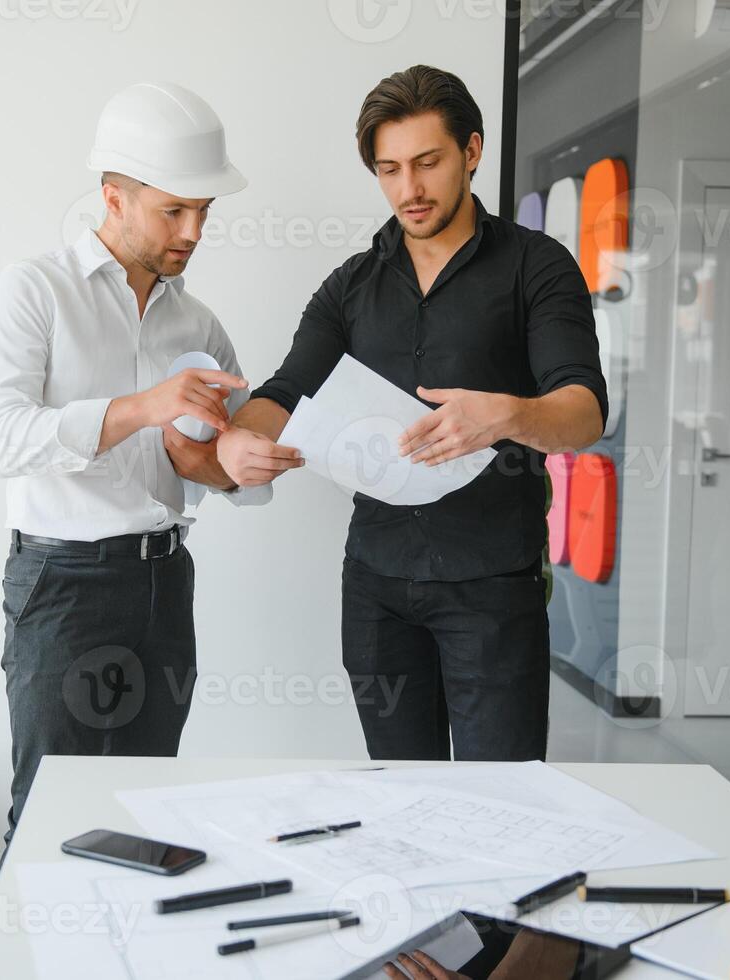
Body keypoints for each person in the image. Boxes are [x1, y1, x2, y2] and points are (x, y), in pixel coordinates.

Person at [217, 64, 607, 762]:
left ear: (471, 152)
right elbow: (287, 389)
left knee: (503, 801)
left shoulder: (536, 266)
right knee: (398, 797)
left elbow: (582, 411)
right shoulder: (350, 286)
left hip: (491, 584)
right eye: (388, 169)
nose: (409, 189)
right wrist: (238, 443)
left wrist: (508, 414)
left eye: (426, 163)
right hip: (376, 589)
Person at [0, 81, 273, 847]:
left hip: (163, 584)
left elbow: (206, 469)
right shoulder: (33, 292)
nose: (194, 230)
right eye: (174, 210)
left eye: (204, 211)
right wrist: (148, 405)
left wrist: (234, 459)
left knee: (144, 808)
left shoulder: (198, 322)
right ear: (112, 197)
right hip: (62, 586)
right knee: (47, 814)